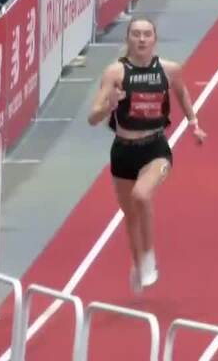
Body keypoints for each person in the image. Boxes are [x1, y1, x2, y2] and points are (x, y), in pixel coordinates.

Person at [87, 18, 206, 293]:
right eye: (136, 34)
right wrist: (109, 106)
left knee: (141, 195)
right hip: (123, 151)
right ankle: (138, 262)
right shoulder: (115, 73)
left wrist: (194, 124)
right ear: (128, 39)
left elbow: (182, 94)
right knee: (130, 216)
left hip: (155, 148)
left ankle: (149, 255)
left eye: (147, 34)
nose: (141, 39)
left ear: (155, 39)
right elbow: (92, 118)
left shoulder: (169, 69)